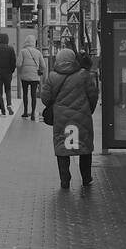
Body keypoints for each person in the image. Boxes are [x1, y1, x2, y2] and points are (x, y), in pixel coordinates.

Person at [40, 46, 99, 189]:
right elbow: (93, 95)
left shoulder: (53, 77)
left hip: (61, 119)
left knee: (62, 147)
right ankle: (86, 178)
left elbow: (45, 98)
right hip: (82, 117)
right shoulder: (83, 75)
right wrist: (88, 110)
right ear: (73, 59)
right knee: (84, 146)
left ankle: (65, 180)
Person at [16, 35, 46, 118]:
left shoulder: (23, 51)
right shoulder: (38, 52)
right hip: (35, 77)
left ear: (26, 42)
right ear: (33, 42)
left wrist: (21, 69)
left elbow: (18, 64)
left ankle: (25, 112)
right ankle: (33, 113)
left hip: (24, 76)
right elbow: (43, 66)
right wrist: (39, 69)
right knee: (33, 95)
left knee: (25, 94)